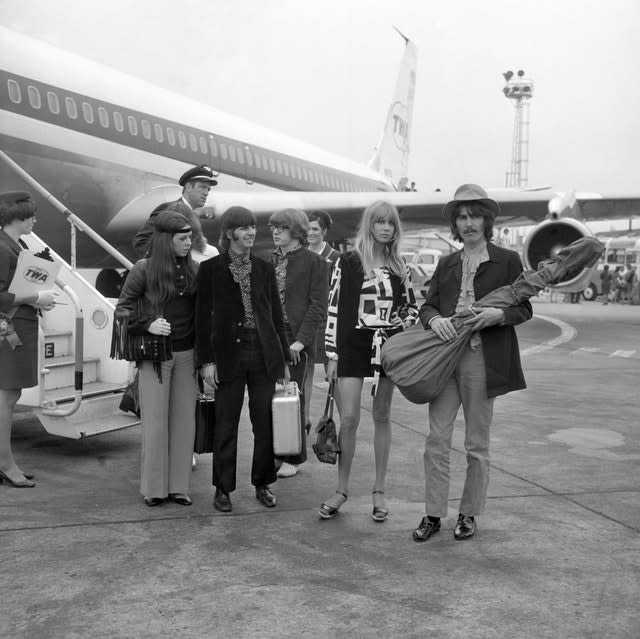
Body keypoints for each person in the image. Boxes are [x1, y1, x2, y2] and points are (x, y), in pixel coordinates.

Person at [413, 184, 532, 543]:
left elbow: (524, 308)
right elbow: (428, 305)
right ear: (455, 223)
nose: (468, 223)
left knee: (476, 444)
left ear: (487, 220)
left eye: (474, 215)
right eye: (461, 217)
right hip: (445, 359)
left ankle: (468, 513)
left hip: (484, 359)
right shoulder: (448, 263)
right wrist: (433, 320)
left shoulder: (507, 260)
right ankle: (433, 513)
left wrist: (498, 314)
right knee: (436, 439)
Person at [320, 200, 418, 522]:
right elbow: (334, 307)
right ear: (370, 225)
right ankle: (342, 489)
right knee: (348, 419)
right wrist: (331, 354)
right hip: (352, 344)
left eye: (391, 223)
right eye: (380, 222)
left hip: (386, 347)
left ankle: (379, 491)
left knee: (382, 415)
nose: (386, 228)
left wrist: (400, 324)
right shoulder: (348, 262)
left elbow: (412, 309)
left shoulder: (400, 266)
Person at [195, 206, 290, 512]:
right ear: (228, 233)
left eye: (253, 226)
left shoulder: (263, 268)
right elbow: (202, 320)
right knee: (226, 423)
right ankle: (223, 488)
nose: (251, 232)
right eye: (244, 227)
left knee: (264, 424)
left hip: (263, 352)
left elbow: (276, 315)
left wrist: (283, 359)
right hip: (227, 355)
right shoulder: (211, 270)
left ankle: (263, 483)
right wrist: (207, 362)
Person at [115, 211, 199, 507]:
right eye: (183, 238)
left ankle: (179, 487)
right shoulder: (143, 269)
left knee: (184, 423)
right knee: (154, 423)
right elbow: (122, 309)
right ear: (166, 240)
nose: (190, 242)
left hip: (188, 356)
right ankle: (154, 489)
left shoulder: (195, 269)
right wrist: (148, 322)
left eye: (190, 237)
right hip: (155, 356)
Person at [0, 192, 58, 488]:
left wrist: (36, 300)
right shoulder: (2, 248)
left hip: (16, 326)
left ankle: (4, 461)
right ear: (16, 218)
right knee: (7, 397)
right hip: (8, 331)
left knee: (9, 397)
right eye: (31, 216)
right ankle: (6, 464)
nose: (35, 220)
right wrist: (36, 296)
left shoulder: (14, 245)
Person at [270, 208, 329, 478]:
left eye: (280, 228)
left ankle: (293, 456)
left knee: (293, 397)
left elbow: (318, 307)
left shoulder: (314, 262)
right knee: (269, 397)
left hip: (296, 339)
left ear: (295, 231)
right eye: (273, 227)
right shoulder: (268, 261)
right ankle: (274, 451)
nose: (274, 232)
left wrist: (301, 341)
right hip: (270, 337)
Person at [133, 164, 218, 258]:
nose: (206, 193)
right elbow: (141, 242)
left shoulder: (195, 215)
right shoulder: (168, 209)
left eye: (208, 189)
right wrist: (165, 263)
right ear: (189, 187)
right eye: (202, 187)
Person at [305, 210, 340, 432]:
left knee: (333, 373)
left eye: (315, 229)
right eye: (307, 228)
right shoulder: (300, 255)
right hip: (307, 322)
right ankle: (304, 418)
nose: (310, 233)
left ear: (324, 231)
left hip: (328, 322)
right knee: (305, 372)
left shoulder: (336, 258)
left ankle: (335, 418)